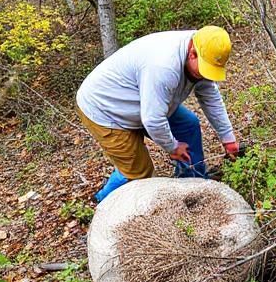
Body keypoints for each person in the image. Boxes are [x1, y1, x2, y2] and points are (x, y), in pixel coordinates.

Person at [76, 26, 240, 202]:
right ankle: (103, 201)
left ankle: (193, 187)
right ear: (192, 53)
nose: (205, 75)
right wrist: (173, 147)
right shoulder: (164, 66)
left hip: (144, 100)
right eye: (204, 69)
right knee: (139, 173)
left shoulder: (204, 48)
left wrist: (227, 137)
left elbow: (210, 96)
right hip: (106, 110)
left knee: (188, 125)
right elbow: (153, 120)